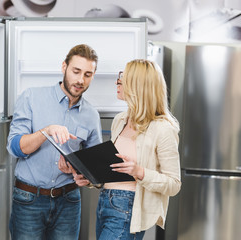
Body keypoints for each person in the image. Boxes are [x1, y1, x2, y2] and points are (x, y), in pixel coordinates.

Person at [64, 59, 181, 240]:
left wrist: (139, 172)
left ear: (138, 86)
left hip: (128, 208)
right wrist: (89, 179)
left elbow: (174, 184)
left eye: (124, 78)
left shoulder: (163, 129)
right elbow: (113, 171)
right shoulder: (120, 120)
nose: (118, 82)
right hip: (105, 202)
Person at [6, 44, 103, 240]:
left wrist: (81, 174)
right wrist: (46, 131)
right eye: (76, 71)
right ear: (64, 67)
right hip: (28, 200)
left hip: (69, 201)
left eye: (87, 74)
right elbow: (15, 147)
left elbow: (96, 171)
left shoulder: (91, 115)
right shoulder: (31, 97)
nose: (80, 80)